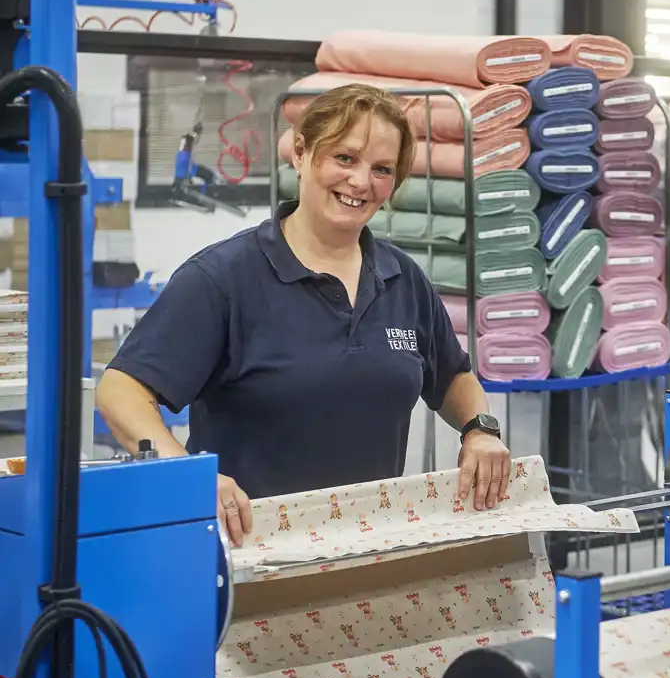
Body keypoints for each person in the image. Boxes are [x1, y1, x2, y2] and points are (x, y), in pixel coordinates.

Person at [96, 84, 511, 547]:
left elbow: (452, 375)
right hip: (247, 555)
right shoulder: (222, 280)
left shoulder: (402, 278)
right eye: (345, 158)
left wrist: (480, 430)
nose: (361, 183)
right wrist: (187, 475)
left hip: (369, 548)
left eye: (381, 170)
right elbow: (121, 391)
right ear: (300, 151)